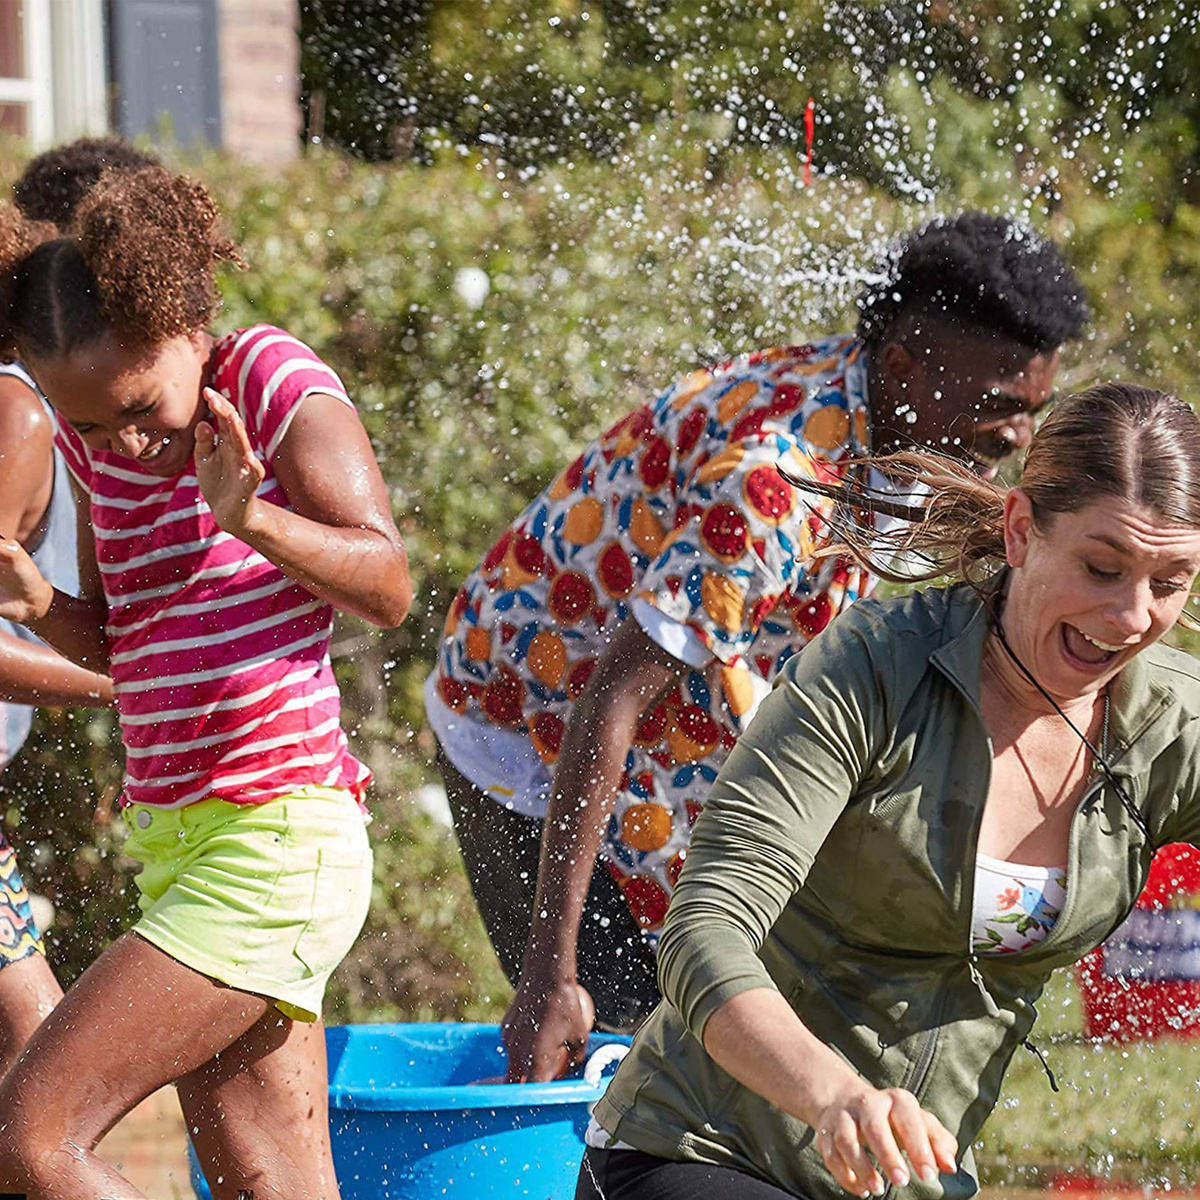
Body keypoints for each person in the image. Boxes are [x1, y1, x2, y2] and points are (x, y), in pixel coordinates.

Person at [425, 211, 1089, 1080]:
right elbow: (613, 700)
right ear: (902, 366)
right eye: (999, 407)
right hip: (533, 725)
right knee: (633, 1056)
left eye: (1034, 411)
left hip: (672, 721)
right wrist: (552, 974)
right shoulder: (777, 484)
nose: (1016, 437)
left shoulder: (886, 405)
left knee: (737, 1019)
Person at [577, 381, 1200, 1199]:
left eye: (1169, 583)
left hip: (911, 1185)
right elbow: (703, 931)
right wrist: (834, 1097)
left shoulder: (1172, 727)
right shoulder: (873, 668)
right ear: (1021, 530)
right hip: (697, 1151)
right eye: (1102, 568)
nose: (1131, 617)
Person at [0, 165, 411, 1199]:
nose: (125, 444)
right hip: (180, 844)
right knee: (267, 1189)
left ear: (184, 322)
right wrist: (40, 605)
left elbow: (389, 585)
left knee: (31, 1139)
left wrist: (254, 519)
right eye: (92, 427)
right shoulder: (98, 445)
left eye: (140, 409)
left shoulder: (266, 377)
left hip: (274, 842)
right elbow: (131, 647)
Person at [0, 137, 156, 1074]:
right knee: (40, 1061)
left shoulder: (65, 411)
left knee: (34, 1056)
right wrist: (138, 689)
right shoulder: (21, 413)